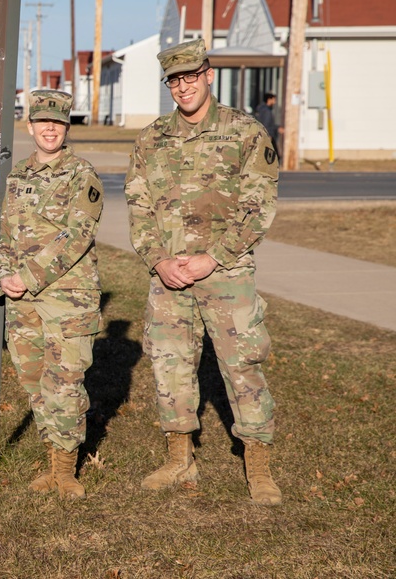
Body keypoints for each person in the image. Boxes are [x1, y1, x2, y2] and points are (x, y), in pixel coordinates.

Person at [125, 38, 282, 505]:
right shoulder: (151, 139)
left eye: (191, 76)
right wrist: (157, 260)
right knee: (169, 366)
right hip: (169, 276)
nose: (183, 86)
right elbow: (138, 207)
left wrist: (212, 257)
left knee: (242, 367)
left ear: (209, 74)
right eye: (174, 79)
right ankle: (179, 458)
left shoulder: (246, 132)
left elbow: (258, 207)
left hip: (227, 273)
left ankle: (258, 465)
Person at [0, 89, 104, 499]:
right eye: (43, 122)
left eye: (57, 122)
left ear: (66, 127)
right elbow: (6, 233)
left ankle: (66, 468)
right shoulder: (19, 175)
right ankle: (49, 458)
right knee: (34, 380)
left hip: (68, 297)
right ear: (31, 126)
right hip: (22, 299)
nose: (50, 129)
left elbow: (77, 237)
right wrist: (6, 273)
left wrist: (28, 276)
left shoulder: (82, 175)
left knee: (65, 382)